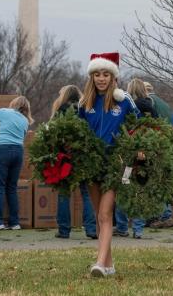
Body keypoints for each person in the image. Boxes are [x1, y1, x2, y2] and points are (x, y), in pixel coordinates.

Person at [78, 52, 140, 277]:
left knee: (106, 213)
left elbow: (139, 125)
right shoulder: (83, 103)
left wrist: (135, 149)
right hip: (92, 165)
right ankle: (109, 264)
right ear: (92, 77)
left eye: (106, 74)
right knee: (99, 215)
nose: (101, 78)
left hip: (116, 164)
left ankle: (99, 264)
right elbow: (77, 131)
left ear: (113, 77)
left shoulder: (124, 101)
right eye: (97, 74)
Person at [50, 85, 97, 240]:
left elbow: (53, 133)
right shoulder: (86, 109)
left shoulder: (61, 110)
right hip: (84, 156)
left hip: (65, 158)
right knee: (87, 194)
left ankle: (64, 230)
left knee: (64, 193)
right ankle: (91, 229)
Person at [113, 78, 154, 239]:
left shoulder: (130, 107)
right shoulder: (151, 106)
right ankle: (138, 229)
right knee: (140, 188)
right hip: (145, 154)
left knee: (124, 186)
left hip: (129, 154)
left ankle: (122, 226)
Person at [0, 96, 32, 231]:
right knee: (12, 187)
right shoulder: (25, 120)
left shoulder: (4, 112)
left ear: (14, 104)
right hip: (18, 152)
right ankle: (14, 222)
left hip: (2, 149)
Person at [144, 81, 173, 229]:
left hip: (154, 144)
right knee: (163, 180)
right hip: (168, 145)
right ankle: (166, 214)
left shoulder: (148, 102)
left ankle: (162, 215)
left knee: (154, 181)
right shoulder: (164, 103)